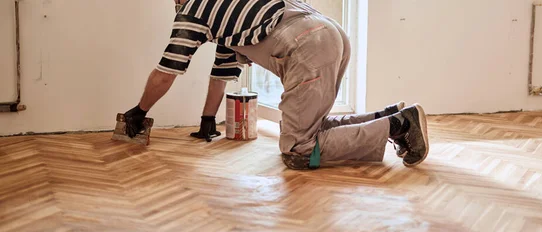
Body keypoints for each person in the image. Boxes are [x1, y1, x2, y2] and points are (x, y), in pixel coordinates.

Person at [123, 0, 429, 169]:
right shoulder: (229, 13)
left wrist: (139, 110)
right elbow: (221, 73)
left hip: (307, 45)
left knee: (298, 150)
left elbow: (167, 71)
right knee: (313, 129)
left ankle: (399, 125)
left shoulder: (192, 11)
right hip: (329, 33)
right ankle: (388, 117)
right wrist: (207, 120)